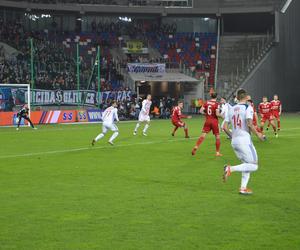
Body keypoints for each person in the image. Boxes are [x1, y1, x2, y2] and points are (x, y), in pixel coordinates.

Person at [223, 89, 265, 195]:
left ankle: (243, 188)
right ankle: (230, 169)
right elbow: (250, 124)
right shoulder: (248, 107)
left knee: (246, 164)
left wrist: (233, 137)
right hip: (245, 140)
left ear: (237, 97)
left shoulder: (231, 109)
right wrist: (259, 134)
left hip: (235, 141)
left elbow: (224, 127)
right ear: (246, 98)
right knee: (254, 165)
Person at [192, 93, 222, 157]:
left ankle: (196, 146)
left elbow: (200, 111)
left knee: (203, 135)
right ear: (216, 97)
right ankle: (217, 152)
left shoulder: (206, 102)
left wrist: (206, 114)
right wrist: (223, 116)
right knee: (217, 137)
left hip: (207, 121)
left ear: (211, 96)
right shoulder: (217, 104)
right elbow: (217, 114)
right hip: (214, 122)